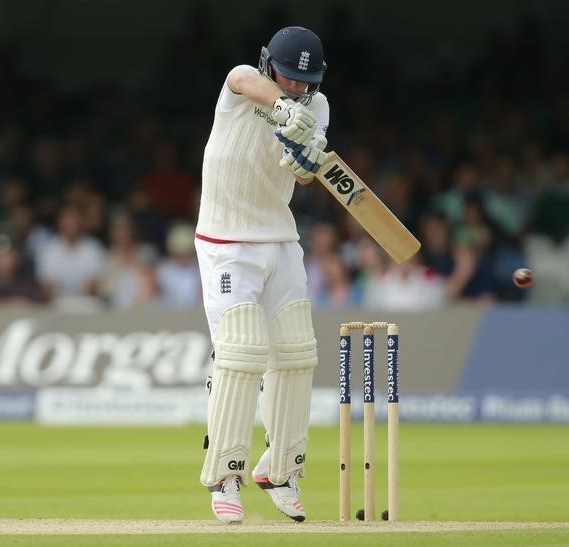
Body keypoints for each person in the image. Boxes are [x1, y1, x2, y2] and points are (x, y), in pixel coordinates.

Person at [195, 26, 329, 524]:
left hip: (279, 238)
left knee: (296, 353)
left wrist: (305, 158)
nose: (295, 88)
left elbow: (301, 174)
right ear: (271, 65)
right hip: (227, 240)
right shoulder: (245, 83)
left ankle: (281, 468)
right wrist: (284, 108)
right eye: (287, 78)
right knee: (242, 351)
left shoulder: (318, 108)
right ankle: (226, 474)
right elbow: (244, 80)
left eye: (303, 83)